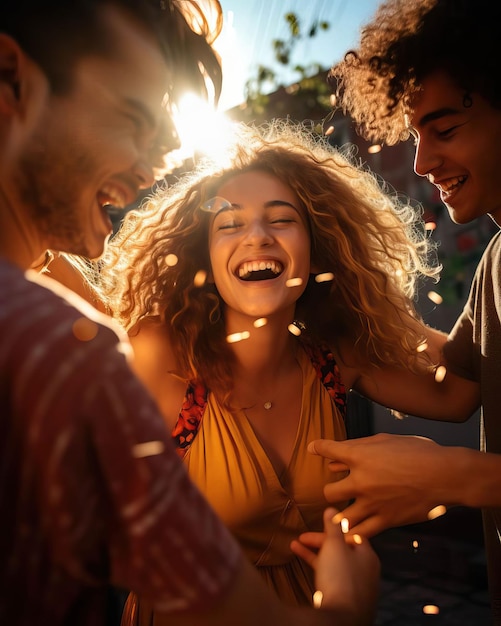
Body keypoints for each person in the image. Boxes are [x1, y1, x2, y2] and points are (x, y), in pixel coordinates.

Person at [0, 2, 382, 625]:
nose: (151, 166)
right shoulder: (64, 348)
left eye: (282, 219)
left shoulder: (49, 333)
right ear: (11, 79)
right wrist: (346, 603)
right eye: (130, 118)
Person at [93, 119, 478, 619]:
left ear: (318, 245)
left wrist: (371, 299)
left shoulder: (334, 354)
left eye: (281, 220)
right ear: (203, 256)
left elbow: (459, 394)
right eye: (229, 224)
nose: (256, 237)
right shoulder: (164, 355)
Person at [308, 0, 501, 622]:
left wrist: (452, 476)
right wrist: (343, 314)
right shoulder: (499, 258)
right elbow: (458, 383)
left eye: (444, 130)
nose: (421, 163)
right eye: (416, 136)